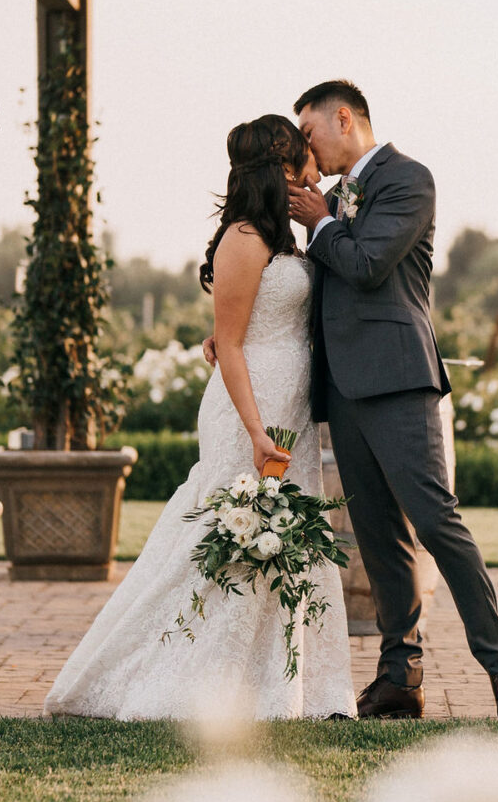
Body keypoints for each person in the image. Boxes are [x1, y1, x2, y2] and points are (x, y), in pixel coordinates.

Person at [44, 116, 353, 726]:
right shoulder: (243, 236)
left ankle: (291, 688)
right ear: (283, 170)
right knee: (230, 533)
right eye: (305, 159)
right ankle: (180, 681)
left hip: (289, 401)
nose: (317, 166)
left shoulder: (284, 237)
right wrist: (258, 430)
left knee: (287, 539)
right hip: (252, 409)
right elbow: (233, 344)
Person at [290, 80, 498, 722]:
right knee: (377, 537)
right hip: (343, 388)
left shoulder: (407, 180)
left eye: (310, 133)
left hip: (399, 380)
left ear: (344, 118)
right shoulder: (336, 198)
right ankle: (400, 675)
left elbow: (368, 264)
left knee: (435, 521)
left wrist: (319, 223)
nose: (306, 150)